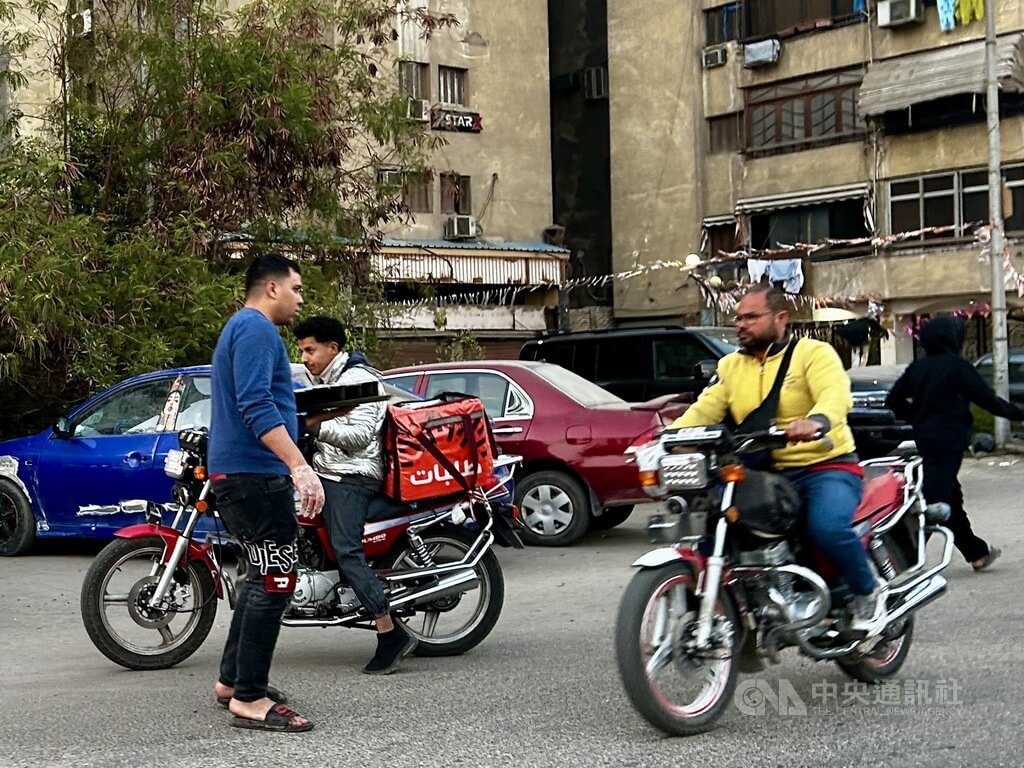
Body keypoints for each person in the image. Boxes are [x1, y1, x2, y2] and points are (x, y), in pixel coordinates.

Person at [672, 284, 886, 635]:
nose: (741, 324)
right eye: (738, 318)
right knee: (713, 522)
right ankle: (732, 612)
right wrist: (667, 437)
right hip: (763, 469)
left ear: (781, 318)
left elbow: (835, 396)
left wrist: (816, 422)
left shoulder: (814, 354)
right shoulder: (730, 366)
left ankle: (868, 592)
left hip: (824, 465)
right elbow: (703, 410)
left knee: (827, 527)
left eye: (751, 317)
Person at [208, 254, 337, 734]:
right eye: (297, 289)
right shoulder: (257, 329)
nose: (301, 299)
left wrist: (315, 420)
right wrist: (299, 466)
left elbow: (266, 403)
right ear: (271, 289)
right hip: (255, 478)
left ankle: (232, 682)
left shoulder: (241, 329)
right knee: (275, 581)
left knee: (262, 577)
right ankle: (250, 697)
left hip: (244, 477)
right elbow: (256, 404)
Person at [294, 315, 418, 674]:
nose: (304, 357)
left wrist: (308, 424)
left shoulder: (361, 381)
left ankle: (389, 632)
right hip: (328, 471)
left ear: (333, 349)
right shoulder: (326, 379)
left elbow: (359, 436)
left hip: (352, 478)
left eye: (310, 349)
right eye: (301, 350)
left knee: (347, 551)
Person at [885, 315, 1023, 571]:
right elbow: (987, 400)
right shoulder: (957, 366)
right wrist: (1017, 414)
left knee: (949, 495)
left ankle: (976, 552)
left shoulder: (918, 367)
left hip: (925, 438)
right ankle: (901, 559)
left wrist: (917, 416)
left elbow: (892, 400)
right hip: (949, 440)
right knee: (934, 502)